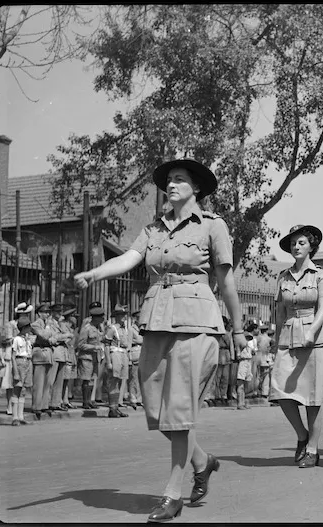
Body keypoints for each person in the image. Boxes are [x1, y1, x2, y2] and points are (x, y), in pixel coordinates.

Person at [74, 158, 247, 522]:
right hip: (156, 321)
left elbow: (227, 282)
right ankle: (203, 461)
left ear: (196, 188)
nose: (171, 185)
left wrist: (238, 328)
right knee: (156, 410)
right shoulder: (154, 228)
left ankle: (172, 494)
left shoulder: (213, 227)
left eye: (180, 180)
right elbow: (131, 258)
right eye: (169, 180)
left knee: (179, 411)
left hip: (196, 323)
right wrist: (95, 273)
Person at [269, 224, 323, 469]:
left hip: (316, 338)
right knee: (280, 391)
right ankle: (301, 435)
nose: (296, 247)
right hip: (288, 335)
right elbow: (279, 311)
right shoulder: (283, 276)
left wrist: (311, 331)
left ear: (311, 247)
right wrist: (278, 341)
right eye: (292, 244)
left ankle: (312, 449)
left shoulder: (321, 274)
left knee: (313, 397)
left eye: (301, 243)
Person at [103, 305, 131, 418]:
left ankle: (116, 407)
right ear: (117, 316)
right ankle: (112, 408)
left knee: (119, 381)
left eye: (125, 315)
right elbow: (106, 345)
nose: (124, 317)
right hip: (115, 354)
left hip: (123, 354)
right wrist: (108, 362)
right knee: (113, 381)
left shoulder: (124, 328)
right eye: (122, 315)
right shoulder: (112, 328)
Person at [76, 303, 106, 409]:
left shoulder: (98, 329)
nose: (103, 319)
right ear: (95, 318)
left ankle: (90, 401)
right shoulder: (87, 328)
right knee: (86, 379)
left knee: (92, 379)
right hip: (86, 357)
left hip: (95, 357)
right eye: (101, 317)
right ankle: (85, 401)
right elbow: (80, 344)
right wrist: (95, 347)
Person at [30, 303, 56, 420]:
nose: (47, 314)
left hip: (48, 354)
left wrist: (51, 336)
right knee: (39, 383)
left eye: (48, 312)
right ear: (39, 313)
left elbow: (56, 337)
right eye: (45, 312)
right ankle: (37, 406)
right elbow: (44, 336)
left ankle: (45, 404)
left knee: (48, 382)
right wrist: (49, 331)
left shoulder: (48, 325)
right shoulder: (36, 324)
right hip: (40, 353)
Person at [10, 313, 35, 426]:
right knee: (17, 389)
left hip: (28, 362)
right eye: (28, 327)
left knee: (24, 390)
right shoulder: (17, 339)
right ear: (23, 328)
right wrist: (15, 371)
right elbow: (13, 356)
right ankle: (15, 417)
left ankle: (21, 416)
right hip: (19, 363)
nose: (30, 329)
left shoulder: (28, 340)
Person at [49, 304, 74, 412]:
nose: (60, 314)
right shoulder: (49, 323)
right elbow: (53, 338)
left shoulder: (60, 324)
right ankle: (48, 402)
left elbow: (69, 336)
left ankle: (56, 402)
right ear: (53, 312)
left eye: (60, 312)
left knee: (59, 380)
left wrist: (65, 336)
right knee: (51, 380)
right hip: (55, 352)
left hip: (63, 353)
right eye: (58, 312)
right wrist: (65, 336)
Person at [236, 322, 257, 410]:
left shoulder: (249, 346)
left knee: (246, 383)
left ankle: (243, 402)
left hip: (249, 362)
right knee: (240, 384)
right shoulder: (240, 345)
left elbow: (253, 352)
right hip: (243, 362)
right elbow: (238, 355)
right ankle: (239, 403)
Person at [61, 308, 78, 409]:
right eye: (74, 316)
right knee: (64, 379)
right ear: (69, 318)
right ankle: (61, 400)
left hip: (71, 354)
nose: (76, 319)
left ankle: (66, 400)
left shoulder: (72, 329)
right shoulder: (63, 327)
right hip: (65, 354)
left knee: (67, 380)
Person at [127, 309, 143, 409]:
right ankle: (132, 397)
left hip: (143, 351)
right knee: (134, 377)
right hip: (135, 352)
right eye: (139, 318)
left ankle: (140, 398)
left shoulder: (143, 328)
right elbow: (128, 343)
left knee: (141, 377)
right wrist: (128, 358)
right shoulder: (131, 329)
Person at [256, 323, 273, 400]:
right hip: (266, 357)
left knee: (257, 375)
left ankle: (256, 391)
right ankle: (264, 392)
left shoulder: (257, 338)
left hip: (258, 357)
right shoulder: (269, 339)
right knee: (266, 376)